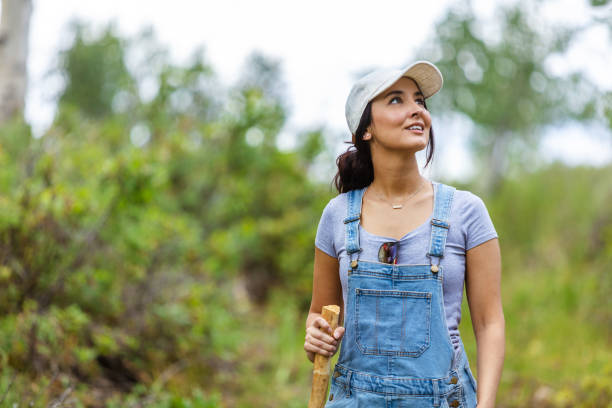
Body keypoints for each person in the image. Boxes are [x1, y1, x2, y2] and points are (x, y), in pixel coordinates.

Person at [304, 61, 505, 407]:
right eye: (397, 100)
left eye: (420, 102)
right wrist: (316, 336)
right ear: (366, 129)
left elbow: (489, 324)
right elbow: (319, 313)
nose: (417, 111)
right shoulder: (337, 216)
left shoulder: (466, 211)